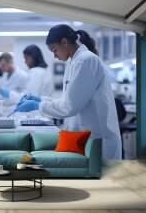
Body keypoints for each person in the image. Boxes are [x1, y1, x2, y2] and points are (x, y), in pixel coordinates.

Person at [15, 24, 122, 159]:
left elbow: (69, 107)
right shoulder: (73, 62)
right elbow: (68, 100)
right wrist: (41, 99)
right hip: (83, 138)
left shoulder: (86, 60)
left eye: (54, 50)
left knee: (101, 178)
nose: (54, 56)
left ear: (64, 42)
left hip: (97, 140)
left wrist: (38, 106)